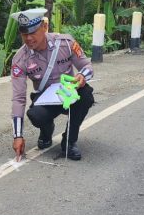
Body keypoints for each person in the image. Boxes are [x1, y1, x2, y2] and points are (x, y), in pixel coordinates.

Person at [10, 8, 95, 161]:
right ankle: (46, 130)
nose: (28, 38)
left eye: (33, 32)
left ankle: (69, 141)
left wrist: (82, 75)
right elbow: (18, 99)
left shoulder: (66, 44)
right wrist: (18, 136)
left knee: (87, 96)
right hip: (45, 98)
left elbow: (87, 67)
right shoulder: (20, 59)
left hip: (69, 94)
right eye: (24, 34)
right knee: (35, 115)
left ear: (44, 27)